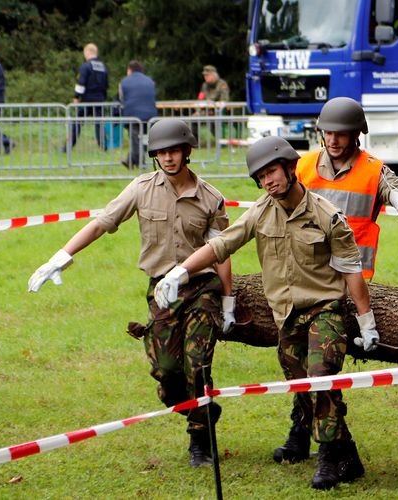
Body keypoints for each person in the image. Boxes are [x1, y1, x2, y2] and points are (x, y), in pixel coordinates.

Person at [154, 135, 378, 490]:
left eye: (272, 172)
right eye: (260, 177)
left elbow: (352, 269)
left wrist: (366, 322)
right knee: (303, 387)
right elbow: (221, 244)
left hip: (326, 311)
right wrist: (181, 271)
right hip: (287, 317)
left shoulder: (326, 214)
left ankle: (329, 460)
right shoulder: (260, 211)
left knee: (320, 377)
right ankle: (347, 453)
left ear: (291, 168)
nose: (267, 181)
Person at [28, 118, 235, 468]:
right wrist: (62, 256)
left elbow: (221, 252)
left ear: (187, 151)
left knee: (197, 364)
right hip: (161, 291)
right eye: (161, 152)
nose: (168, 158)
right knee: (168, 374)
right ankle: (201, 408)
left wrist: (228, 300)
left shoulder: (210, 198)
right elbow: (101, 223)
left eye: (174, 151)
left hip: (201, 288)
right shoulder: (140, 189)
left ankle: (200, 441)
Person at [269, 96, 398, 465]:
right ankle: (301, 429)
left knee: (320, 365)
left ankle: (325, 446)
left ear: (357, 135)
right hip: (303, 278)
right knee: (297, 360)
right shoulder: (301, 166)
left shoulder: (375, 172)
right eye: (328, 132)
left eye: (342, 133)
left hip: (347, 285)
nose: (334, 139)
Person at [66, 43, 109, 151]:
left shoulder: (85, 66)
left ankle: (69, 146)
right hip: (100, 100)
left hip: (87, 101)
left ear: (87, 52)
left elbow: (81, 83)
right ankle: (104, 147)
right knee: (99, 124)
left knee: (77, 123)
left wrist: (76, 97)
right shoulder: (103, 67)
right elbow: (106, 85)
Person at [119, 60, 157, 168]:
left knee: (135, 139)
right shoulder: (150, 81)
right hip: (150, 115)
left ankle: (138, 162)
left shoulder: (124, 81)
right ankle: (133, 161)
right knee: (144, 139)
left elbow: (122, 99)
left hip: (133, 114)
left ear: (129, 70)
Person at [192, 65, 230, 143]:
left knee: (215, 120)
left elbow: (224, 100)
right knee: (194, 118)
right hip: (206, 111)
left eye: (207, 75)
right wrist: (198, 110)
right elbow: (200, 99)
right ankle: (195, 142)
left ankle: (220, 141)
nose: (205, 77)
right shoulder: (204, 85)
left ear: (214, 75)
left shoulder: (222, 84)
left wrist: (214, 108)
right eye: (204, 76)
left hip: (218, 111)